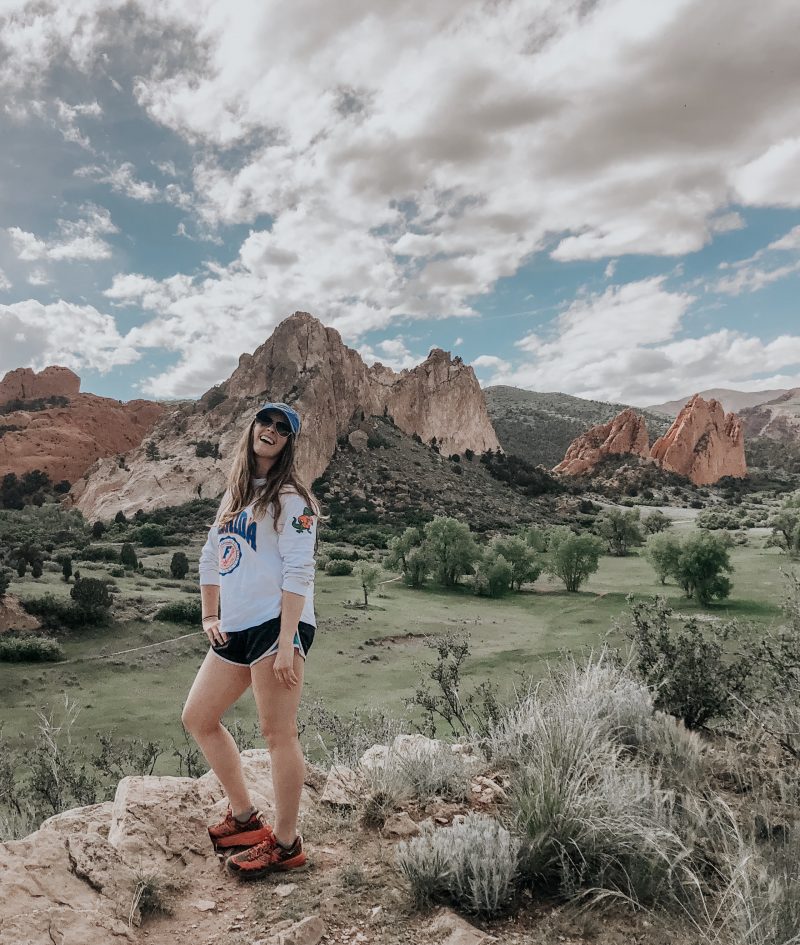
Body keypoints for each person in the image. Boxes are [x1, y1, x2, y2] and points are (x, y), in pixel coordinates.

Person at [181, 401, 321, 879]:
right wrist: (209, 613)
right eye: (267, 421)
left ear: (287, 442)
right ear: (254, 428)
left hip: (277, 625)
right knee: (198, 717)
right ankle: (244, 819)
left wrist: (287, 643)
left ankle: (286, 844)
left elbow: (301, 570)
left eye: (283, 428)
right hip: (236, 625)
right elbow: (209, 558)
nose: (272, 430)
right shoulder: (234, 496)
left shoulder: (293, 500)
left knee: (277, 733)